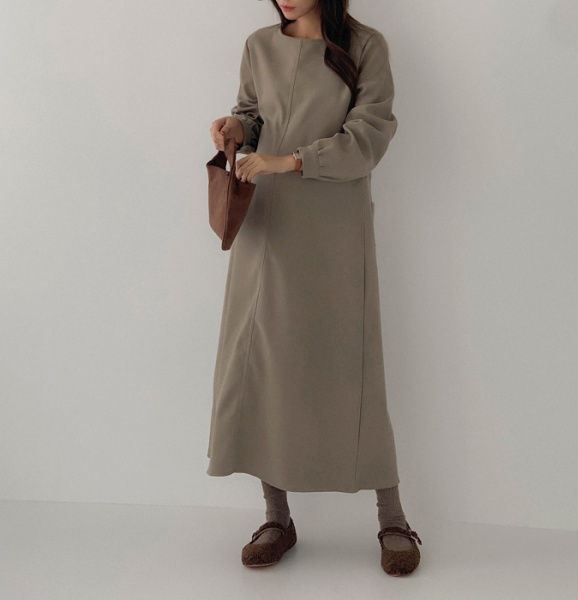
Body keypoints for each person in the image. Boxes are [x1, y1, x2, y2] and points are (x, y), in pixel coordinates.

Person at [207, 0, 423, 576]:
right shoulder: (259, 45)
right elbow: (252, 114)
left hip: (332, 226)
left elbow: (370, 135)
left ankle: (393, 517)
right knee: (265, 363)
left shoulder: (365, 46)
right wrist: (236, 128)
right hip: (265, 227)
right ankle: (276, 517)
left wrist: (291, 161)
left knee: (351, 364)